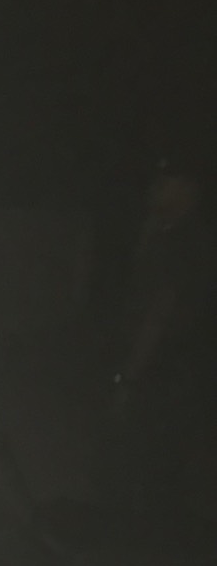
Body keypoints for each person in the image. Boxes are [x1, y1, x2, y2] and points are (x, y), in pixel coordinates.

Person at [109, 150, 216, 526]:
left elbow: (158, 315)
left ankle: (150, 533)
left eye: (164, 183)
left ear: (187, 189)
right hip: (171, 367)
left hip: (165, 369)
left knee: (147, 457)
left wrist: (130, 377)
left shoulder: (183, 241)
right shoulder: (168, 233)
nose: (154, 190)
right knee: (159, 458)